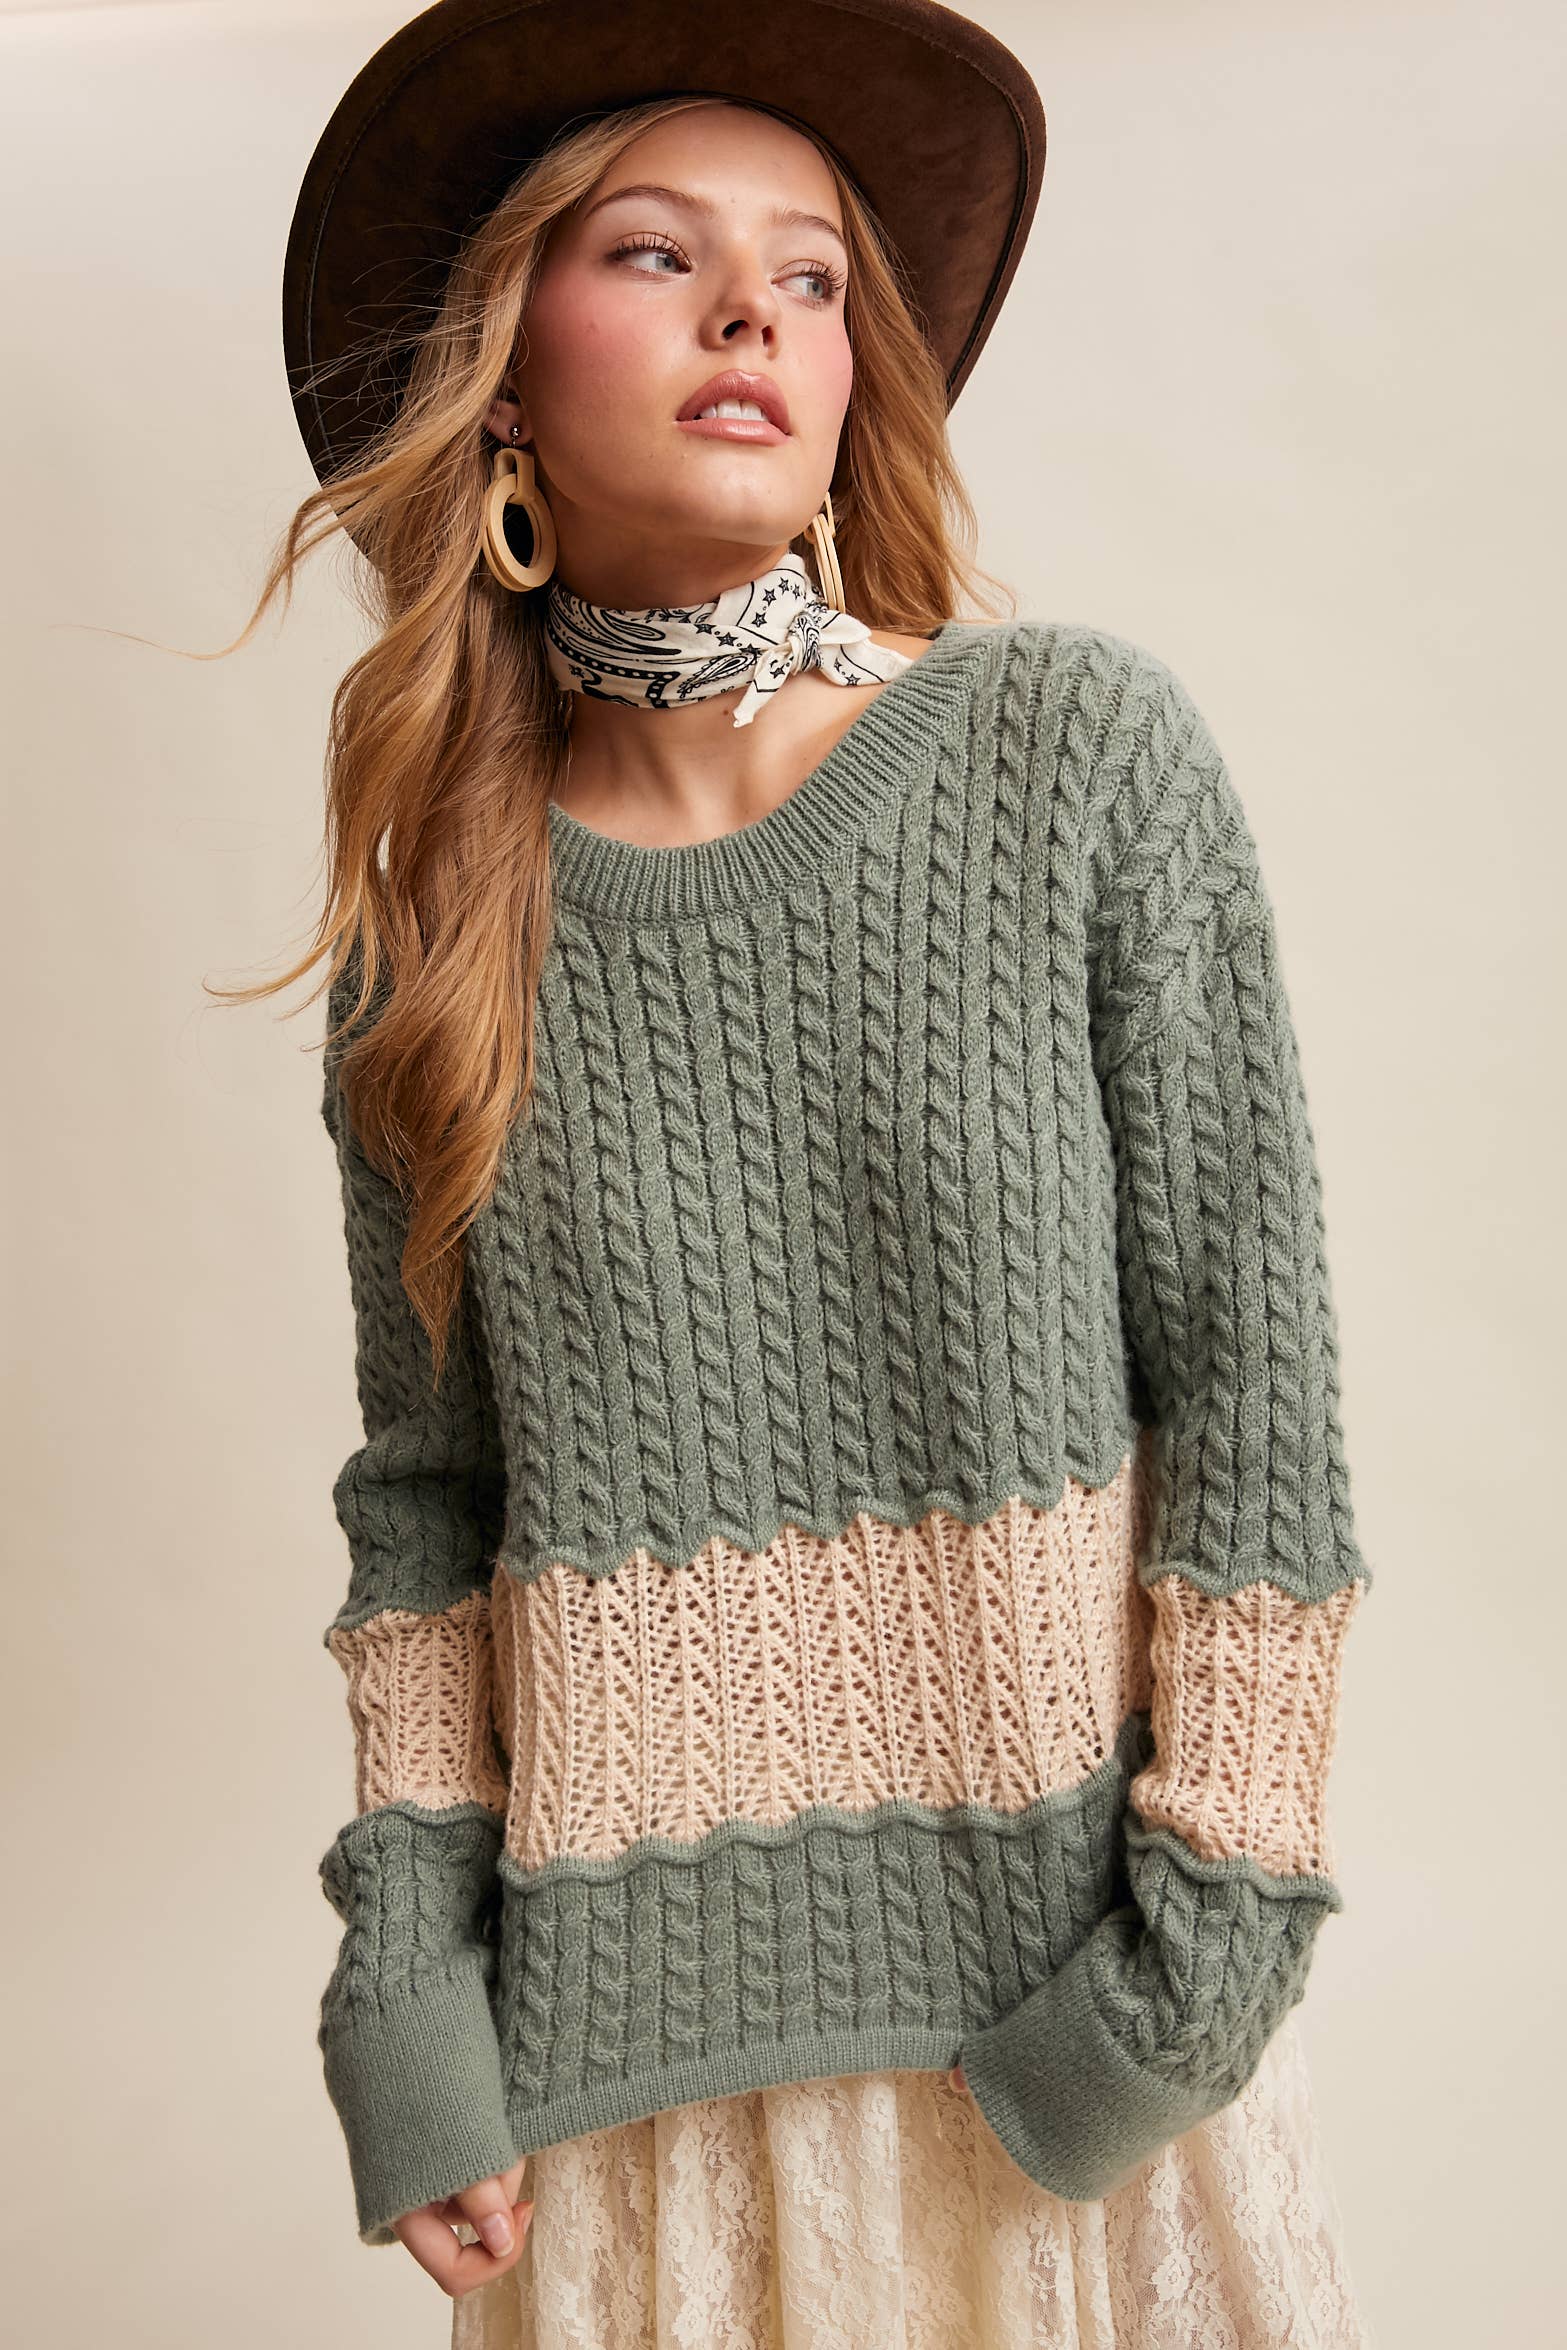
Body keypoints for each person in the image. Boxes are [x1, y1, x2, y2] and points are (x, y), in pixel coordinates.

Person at [246, 2, 1377, 2338]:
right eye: (655, 253)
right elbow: (428, 1503)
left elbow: (1252, 1399)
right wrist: (409, 1992)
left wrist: (1200, 1962)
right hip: (620, 2124)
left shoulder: (1077, 762)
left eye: (813, 274)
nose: (753, 311)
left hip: (1067, 2075)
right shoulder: (434, 937)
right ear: (503, 379)